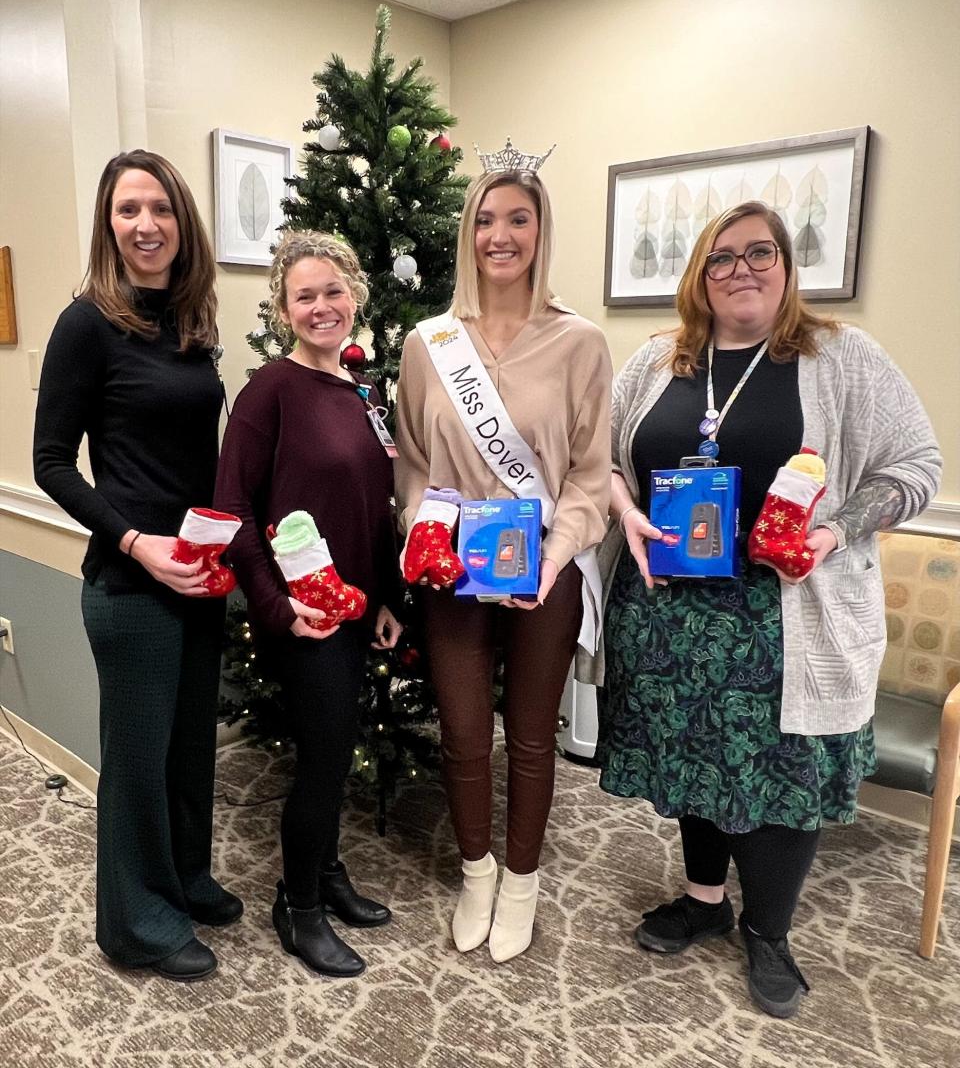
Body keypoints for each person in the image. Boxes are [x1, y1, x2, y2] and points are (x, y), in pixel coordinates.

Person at [595, 200, 941, 1018]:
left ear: (787, 267)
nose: (740, 270)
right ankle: (705, 902)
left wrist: (833, 533)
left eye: (760, 253)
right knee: (699, 766)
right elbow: (600, 461)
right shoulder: (657, 362)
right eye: (721, 258)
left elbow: (916, 465)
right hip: (672, 613)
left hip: (789, 613)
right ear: (699, 275)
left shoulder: (840, 357)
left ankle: (770, 931)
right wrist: (624, 509)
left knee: (783, 778)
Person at [395, 153, 612, 963]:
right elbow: (413, 466)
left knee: (528, 737)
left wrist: (553, 559)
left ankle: (522, 880)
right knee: (461, 734)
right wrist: (427, 536)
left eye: (518, 219)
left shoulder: (580, 342)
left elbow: (591, 473)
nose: (500, 235)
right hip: (453, 575)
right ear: (467, 235)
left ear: (540, 232)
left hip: (544, 573)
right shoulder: (430, 343)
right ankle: (477, 872)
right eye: (485, 220)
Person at [33, 150, 239, 981]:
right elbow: (50, 462)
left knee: (191, 750)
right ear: (107, 224)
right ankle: (135, 921)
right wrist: (136, 543)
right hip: (131, 584)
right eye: (127, 210)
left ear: (182, 222)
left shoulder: (193, 326)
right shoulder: (87, 323)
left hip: (199, 576)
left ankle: (185, 880)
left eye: (160, 208)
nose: (146, 225)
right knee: (137, 761)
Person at [213, 230, 402, 979]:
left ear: (353, 293)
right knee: (323, 762)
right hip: (305, 617)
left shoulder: (362, 389)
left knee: (335, 748)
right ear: (283, 309)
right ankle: (299, 909)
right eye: (305, 296)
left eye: (333, 291)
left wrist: (388, 597)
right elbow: (232, 513)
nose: (322, 307)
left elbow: (373, 503)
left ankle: (325, 874)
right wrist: (277, 607)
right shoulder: (269, 394)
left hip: (356, 607)